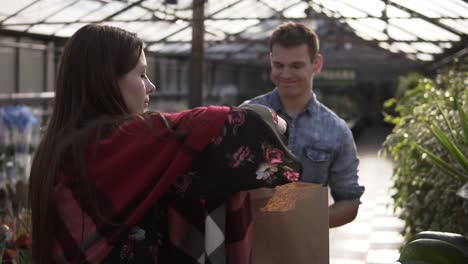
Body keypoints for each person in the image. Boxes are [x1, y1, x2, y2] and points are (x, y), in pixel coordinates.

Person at [28, 24, 302, 263]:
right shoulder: (131, 140)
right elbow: (244, 128)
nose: (151, 86)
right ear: (108, 80)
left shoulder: (57, 149)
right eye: (142, 74)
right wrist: (277, 121)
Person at [242, 21, 365, 228]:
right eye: (279, 65)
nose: (286, 74)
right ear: (271, 60)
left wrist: (303, 223)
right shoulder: (247, 116)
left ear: (316, 64)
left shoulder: (336, 131)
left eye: (296, 65)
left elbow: (349, 200)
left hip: (303, 249)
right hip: (248, 245)